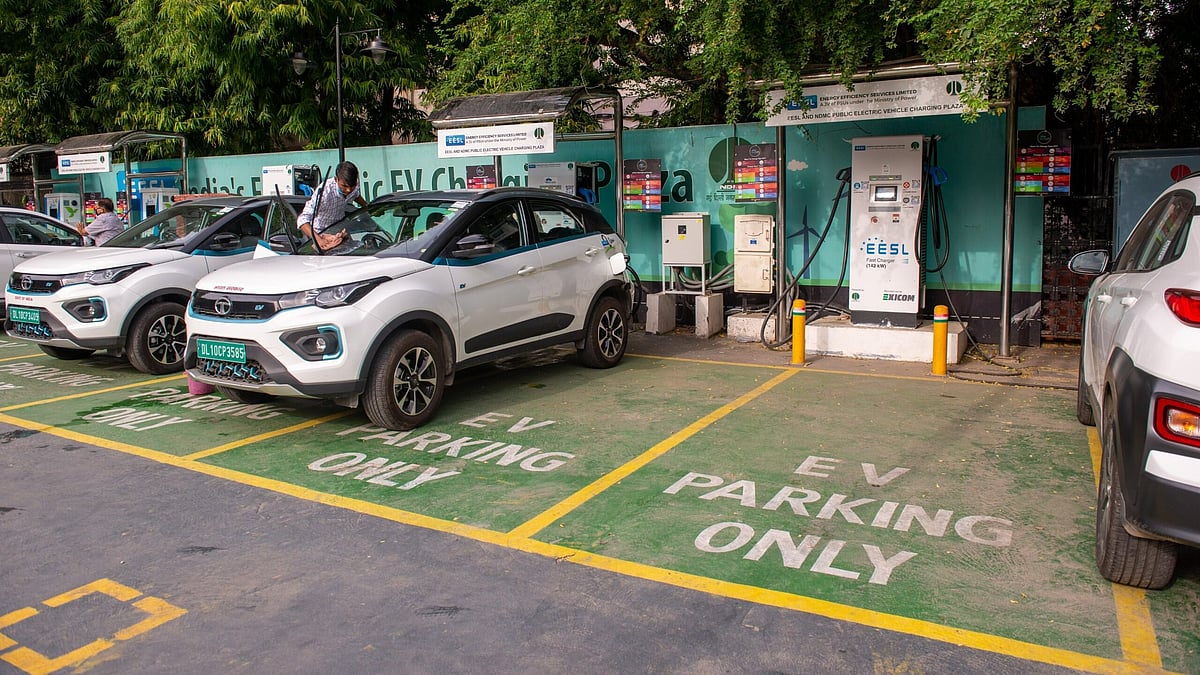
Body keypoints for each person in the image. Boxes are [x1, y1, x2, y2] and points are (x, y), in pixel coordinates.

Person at [298, 161, 369, 252]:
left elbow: (356, 195)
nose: (348, 190)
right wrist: (319, 240)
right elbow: (302, 219)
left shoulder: (354, 186)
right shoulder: (324, 192)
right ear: (336, 179)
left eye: (352, 186)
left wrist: (367, 207)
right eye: (344, 186)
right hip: (320, 234)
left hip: (339, 232)